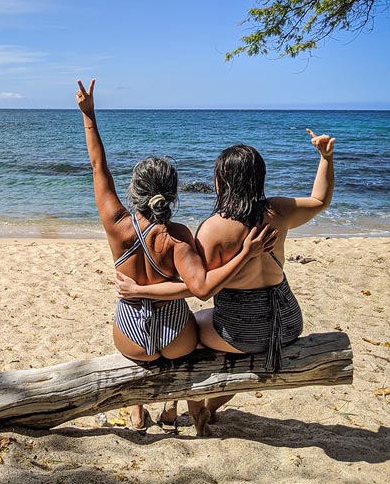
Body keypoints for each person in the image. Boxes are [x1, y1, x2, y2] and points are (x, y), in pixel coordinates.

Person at [76, 79, 277, 430]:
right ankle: (178, 405)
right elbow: (201, 288)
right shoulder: (179, 236)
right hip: (176, 338)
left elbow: (98, 167)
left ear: (134, 191)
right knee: (198, 340)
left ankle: (137, 408)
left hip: (131, 335)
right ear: (172, 194)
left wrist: (89, 115)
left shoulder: (116, 224)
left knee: (138, 356)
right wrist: (244, 253)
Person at [116, 129, 335, 435]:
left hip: (241, 330)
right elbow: (320, 200)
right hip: (286, 322)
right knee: (201, 336)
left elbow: (199, 288)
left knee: (187, 332)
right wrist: (325, 158)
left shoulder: (212, 230)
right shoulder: (279, 211)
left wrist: (141, 291)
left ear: (221, 181)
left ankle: (177, 403)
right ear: (259, 178)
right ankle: (207, 407)